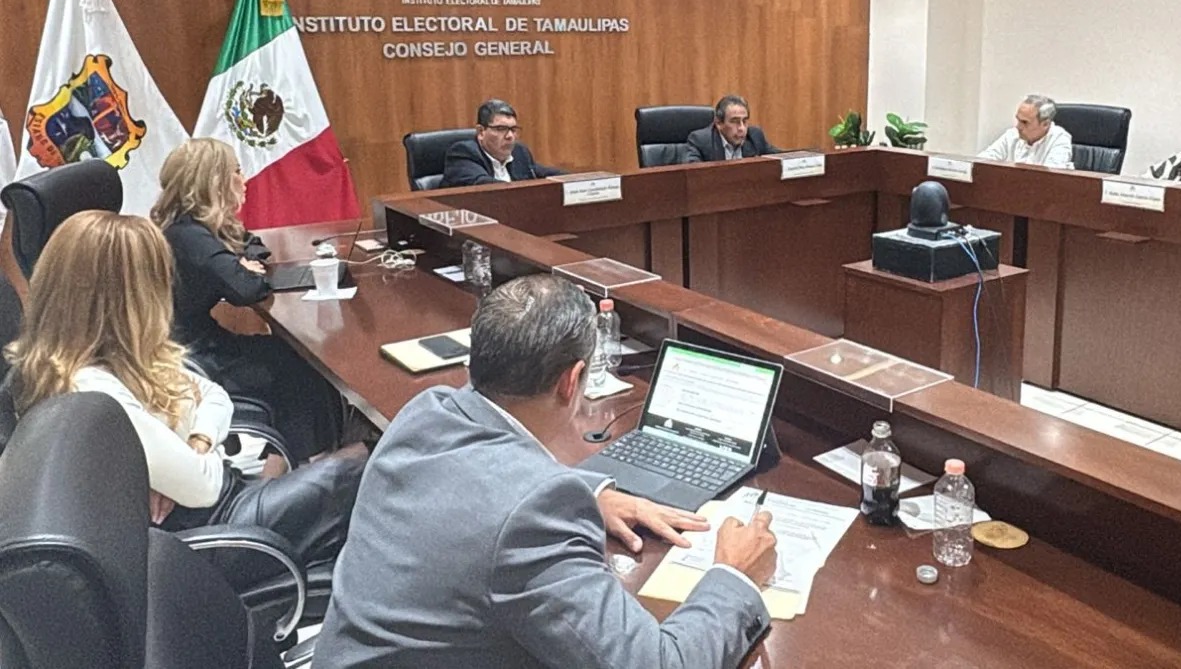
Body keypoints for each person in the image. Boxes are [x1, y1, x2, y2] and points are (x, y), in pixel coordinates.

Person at [314, 274, 776, 669]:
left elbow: (482, 486)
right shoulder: (532, 515)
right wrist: (733, 576)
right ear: (571, 381)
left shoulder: (426, 410)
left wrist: (591, 493)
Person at [2, 210, 365, 562]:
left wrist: (196, 443)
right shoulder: (92, 392)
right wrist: (190, 458)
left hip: (223, 502)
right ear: (122, 300)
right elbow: (204, 487)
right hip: (218, 533)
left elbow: (214, 396)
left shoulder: (113, 357)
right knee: (373, 469)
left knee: (369, 460)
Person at [151, 137, 342, 462]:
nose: (244, 179)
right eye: (237, 171)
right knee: (300, 364)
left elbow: (251, 244)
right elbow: (245, 289)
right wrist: (243, 270)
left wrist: (242, 262)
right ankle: (311, 462)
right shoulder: (189, 236)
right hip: (194, 355)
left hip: (199, 340)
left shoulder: (193, 226)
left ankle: (293, 457)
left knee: (291, 354)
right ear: (215, 181)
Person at [442, 99, 562, 186]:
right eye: (501, 129)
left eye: (513, 129)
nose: (510, 136)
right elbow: (483, 184)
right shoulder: (463, 154)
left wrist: (571, 179)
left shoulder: (519, 152)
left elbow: (543, 172)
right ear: (481, 132)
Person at [977, 94, 1074, 169]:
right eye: (1018, 120)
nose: (1018, 127)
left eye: (1024, 122)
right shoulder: (1012, 134)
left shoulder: (1059, 139)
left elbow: (1050, 177)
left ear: (1045, 124)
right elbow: (982, 161)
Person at [684, 95, 778, 162]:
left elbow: (781, 158)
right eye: (735, 121)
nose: (742, 128)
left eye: (744, 121)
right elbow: (693, 175)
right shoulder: (700, 141)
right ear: (719, 123)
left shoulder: (755, 136)